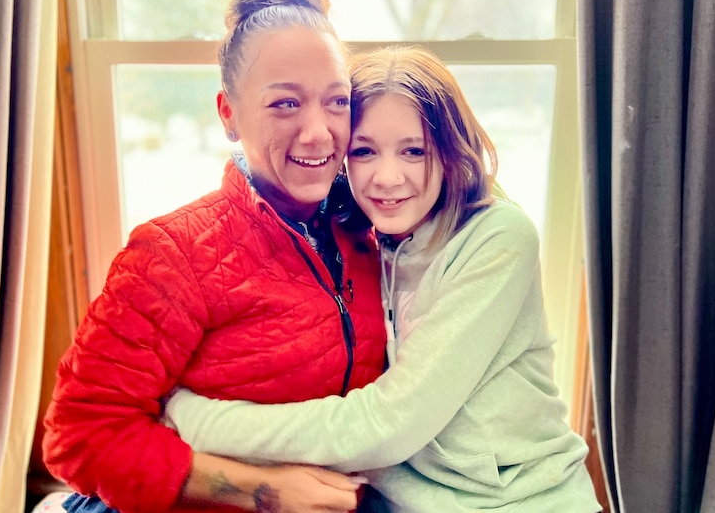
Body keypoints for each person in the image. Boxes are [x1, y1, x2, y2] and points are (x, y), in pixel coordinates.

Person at [164, 46, 603, 512]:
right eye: (365, 151)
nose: (387, 178)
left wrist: (197, 419)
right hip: (403, 497)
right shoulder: (365, 237)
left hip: (526, 499)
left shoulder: (499, 238)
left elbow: (390, 423)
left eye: (414, 151)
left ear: (451, 152)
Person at [42, 0, 388, 513]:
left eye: (336, 102)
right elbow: (78, 434)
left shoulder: (374, 234)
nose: (318, 132)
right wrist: (260, 490)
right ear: (229, 113)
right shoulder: (171, 254)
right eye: (285, 103)